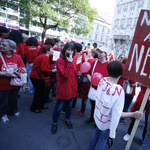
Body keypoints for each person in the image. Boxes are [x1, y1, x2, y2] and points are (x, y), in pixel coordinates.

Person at [88, 61, 143, 150]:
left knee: (97, 132)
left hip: (99, 117)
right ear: (121, 74)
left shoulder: (102, 81)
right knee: (102, 140)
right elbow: (117, 113)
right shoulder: (118, 90)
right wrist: (133, 114)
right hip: (107, 122)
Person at [51, 43, 77, 134]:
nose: (70, 52)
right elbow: (65, 74)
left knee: (69, 106)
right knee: (58, 107)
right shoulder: (60, 61)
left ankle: (67, 120)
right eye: (68, 50)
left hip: (72, 87)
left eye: (71, 50)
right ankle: (54, 123)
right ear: (64, 50)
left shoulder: (73, 60)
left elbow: (73, 74)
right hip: (63, 88)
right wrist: (69, 62)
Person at [0, 39, 26, 124]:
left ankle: (14, 111)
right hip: (3, 84)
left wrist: (14, 72)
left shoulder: (17, 57)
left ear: (11, 47)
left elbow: (23, 68)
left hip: (15, 83)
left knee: (14, 99)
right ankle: (4, 114)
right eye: (1, 44)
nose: (1, 46)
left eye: (4, 45)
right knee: (3, 101)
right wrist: (5, 74)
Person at [85, 46, 109, 124]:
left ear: (105, 54)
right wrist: (90, 80)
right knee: (93, 104)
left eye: (101, 52)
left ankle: (97, 120)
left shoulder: (109, 65)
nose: (99, 54)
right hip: (94, 88)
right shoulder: (94, 63)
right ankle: (92, 117)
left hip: (103, 90)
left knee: (100, 106)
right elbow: (88, 73)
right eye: (99, 52)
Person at [30, 45, 56, 113]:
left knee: (41, 92)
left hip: (37, 77)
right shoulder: (45, 57)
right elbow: (43, 69)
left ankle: (40, 105)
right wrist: (52, 71)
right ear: (47, 51)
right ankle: (34, 107)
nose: (53, 51)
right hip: (37, 77)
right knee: (39, 93)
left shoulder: (43, 56)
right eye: (51, 50)